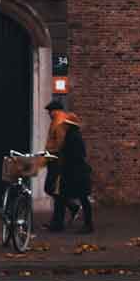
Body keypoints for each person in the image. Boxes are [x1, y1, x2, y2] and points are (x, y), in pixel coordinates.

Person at [43, 100, 94, 233]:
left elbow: (63, 148)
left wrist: (58, 161)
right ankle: (59, 222)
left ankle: (85, 224)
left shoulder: (64, 129)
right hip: (71, 168)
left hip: (69, 168)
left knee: (64, 193)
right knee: (61, 194)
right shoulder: (73, 134)